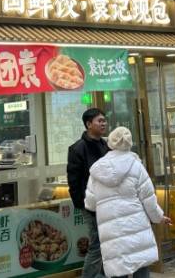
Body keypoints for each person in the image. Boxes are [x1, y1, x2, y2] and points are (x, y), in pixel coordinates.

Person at [85, 127, 171, 278]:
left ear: (110, 143)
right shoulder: (136, 166)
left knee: (118, 269)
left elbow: (90, 203)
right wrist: (159, 217)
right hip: (136, 225)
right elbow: (148, 200)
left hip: (110, 230)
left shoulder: (98, 169)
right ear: (129, 143)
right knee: (140, 264)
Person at [67, 108, 109, 278]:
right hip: (90, 205)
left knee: (107, 242)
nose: (104, 123)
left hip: (107, 203)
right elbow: (74, 181)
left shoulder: (106, 145)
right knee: (97, 244)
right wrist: (82, 204)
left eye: (104, 120)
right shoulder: (77, 148)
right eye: (100, 121)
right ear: (88, 124)